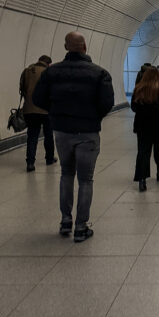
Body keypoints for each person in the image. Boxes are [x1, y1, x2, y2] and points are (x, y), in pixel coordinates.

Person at [33, 31, 114, 242]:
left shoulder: (52, 72)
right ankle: (81, 227)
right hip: (87, 132)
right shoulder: (99, 73)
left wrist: (56, 113)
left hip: (61, 131)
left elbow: (37, 98)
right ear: (85, 46)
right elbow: (107, 103)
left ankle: (65, 220)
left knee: (66, 174)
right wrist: (93, 116)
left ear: (66, 47)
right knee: (86, 180)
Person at [131, 67, 159, 191]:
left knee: (143, 151)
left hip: (143, 125)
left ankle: (142, 179)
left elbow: (134, 107)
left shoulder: (138, 89)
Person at [19, 54, 56, 172]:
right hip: (46, 110)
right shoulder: (49, 72)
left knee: (32, 136)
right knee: (48, 135)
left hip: (30, 110)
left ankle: (30, 163)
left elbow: (22, 89)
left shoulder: (27, 71)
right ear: (49, 63)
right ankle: (49, 158)